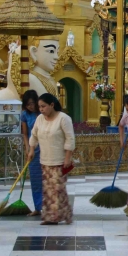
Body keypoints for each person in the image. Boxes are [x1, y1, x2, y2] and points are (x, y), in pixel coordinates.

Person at [27, 93, 75, 225]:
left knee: (57, 189)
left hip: (60, 161)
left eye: (43, 106)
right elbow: (34, 135)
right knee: (49, 189)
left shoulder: (63, 118)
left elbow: (70, 139)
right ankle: (62, 214)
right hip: (44, 160)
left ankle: (53, 217)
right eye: (39, 107)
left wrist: (67, 158)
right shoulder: (39, 119)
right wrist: (31, 150)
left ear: (52, 105)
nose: (41, 109)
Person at [21, 90, 42, 216]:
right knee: (35, 179)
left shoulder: (42, 112)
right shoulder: (24, 115)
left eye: (32, 103)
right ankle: (38, 207)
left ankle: (50, 206)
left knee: (47, 178)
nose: (31, 106)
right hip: (33, 150)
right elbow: (25, 134)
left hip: (45, 148)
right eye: (28, 104)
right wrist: (27, 148)